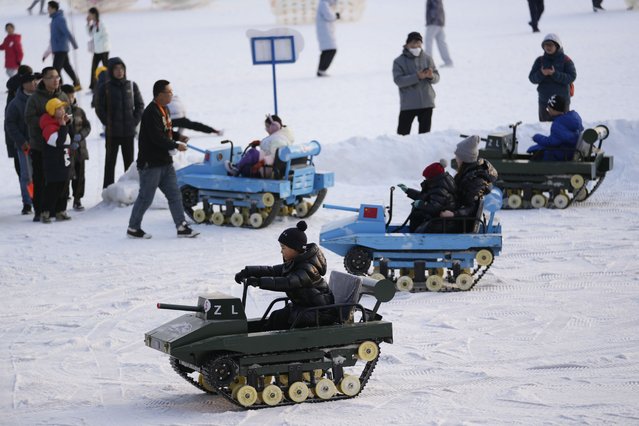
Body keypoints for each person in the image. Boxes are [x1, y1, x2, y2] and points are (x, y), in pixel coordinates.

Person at [126, 79, 198, 239]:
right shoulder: (151, 112)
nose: (171, 95)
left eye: (172, 92)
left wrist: (179, 136)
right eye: (168, 92)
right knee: (145, 198)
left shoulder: (164, 109)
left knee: (174, 194)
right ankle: (133, 227)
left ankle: (181, 226)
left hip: (165, 163)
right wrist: (176, 145)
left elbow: (167, 130)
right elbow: (157, 138)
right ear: (159, 95)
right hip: (151, 164)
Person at [234, 221, 337, 331]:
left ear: (296, 248)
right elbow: (272, 270)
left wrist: (259, 282)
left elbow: (288, 282)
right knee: (276, 316)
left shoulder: (308, 269)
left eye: (283, 248)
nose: (281, 251)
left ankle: (276, 345)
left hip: (321, 313)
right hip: (306, 307)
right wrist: (248, 271)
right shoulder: (295, 262)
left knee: (284, 320)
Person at [25, 66, 71, 222]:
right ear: (43, 80)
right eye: (51, 77)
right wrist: (47, 122)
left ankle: (60, 210)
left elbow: (69, 114)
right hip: (41, 146)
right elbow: (29, 118)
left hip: (61, 146)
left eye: (57, 76)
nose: (56, 79)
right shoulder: (35, 98)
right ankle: (41, 211)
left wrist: (66, 121)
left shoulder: (63, 95)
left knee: (62, 178)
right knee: (41, 179)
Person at [96, 57, 144, 188]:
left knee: (129, 164)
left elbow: (140, 105)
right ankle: (107, 189)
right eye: (116, 69)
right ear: (111, 71)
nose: (119, 71)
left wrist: (134, 121)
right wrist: (108, 122)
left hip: (128, 132)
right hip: (112, 133)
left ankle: (129, 190)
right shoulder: (105, 88)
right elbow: (99, 107)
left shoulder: (131, 85)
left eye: (122, 68)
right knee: (110, 163)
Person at [440, 135, 498, 230]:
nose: (456, 159)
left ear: (464, 159)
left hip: (462, 224)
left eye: (457, 156)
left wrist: (453, 214)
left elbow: (471, 206)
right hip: (460, 220)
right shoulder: (468, 175)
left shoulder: (474, 180)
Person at [393, 31, 440, 135]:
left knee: (425, 136)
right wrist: (417, 77)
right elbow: (399, 81)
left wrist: (431, 76)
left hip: (427, 103)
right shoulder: (398, 61)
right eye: (414, 43)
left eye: (419, 43)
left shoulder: (427, 58)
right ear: (407, 44)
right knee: (402, 135)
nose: (417, 46)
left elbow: (437, 78)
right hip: (409, 104)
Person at [5, 73, 39, 215]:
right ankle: (27, 202)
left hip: (40, 143)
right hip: (24, 145)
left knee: (41, 173)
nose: (34, 84)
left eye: (34, 81)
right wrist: (21, 141)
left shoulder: (40, 98)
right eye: (30, 82)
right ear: (23, 85)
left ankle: (40, 200)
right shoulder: (15, 103)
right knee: (26, 175)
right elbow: (10, 124)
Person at [225, 114, 294, 177]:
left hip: (269, 169)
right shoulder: (282, 136)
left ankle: (236, 169)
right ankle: (238, 166)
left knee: (253, 153)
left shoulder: (278, 140)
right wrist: (260, 143)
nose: (266, 129)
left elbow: (275, 156)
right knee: (253, 155)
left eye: (267, 127)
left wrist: (261, 162)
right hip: (271, 167)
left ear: (274, 127)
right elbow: (273, 147)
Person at [397, 159, 456, 233]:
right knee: (416, 215)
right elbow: (425, 196)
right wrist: (408, 191)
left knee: (417, 218)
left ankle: (416, 239)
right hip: (437, 219)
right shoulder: (438, 185)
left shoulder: (440, 189)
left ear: (433, 177)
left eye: (427, 178)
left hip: (441, 223)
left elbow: (434, 207)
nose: (425, 179)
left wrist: (421, 204)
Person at [528, 33, 576, 122]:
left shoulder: (566, 60)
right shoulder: (540, 61)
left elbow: (572, 77)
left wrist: (555, 74)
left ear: (557, 46)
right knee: (545, 129)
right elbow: (532, 78)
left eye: (550, 45)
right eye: (545, 45)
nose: (548, 47)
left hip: (562, 103)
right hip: (544, 101)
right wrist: (541, 73)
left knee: (563, 127)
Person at [39, 97, 72, 223]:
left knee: (64, 187)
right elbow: (59, 142)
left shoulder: (61, 124)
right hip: (54, 164)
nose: (62, 110)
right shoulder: (48, 128)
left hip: (64, 162)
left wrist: (66, 124)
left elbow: (68, 141)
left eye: (63, 107)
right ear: (52, 111)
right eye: (59, 108)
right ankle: (45, 212)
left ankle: (60, 211)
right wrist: (63, 126)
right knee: (52, 188)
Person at [61, 84, 91, 210]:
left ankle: (77, 198)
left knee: (80, 175)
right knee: (67, 174)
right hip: (67, 149)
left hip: (80, 148)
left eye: (72, 96)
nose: (70, 99)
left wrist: (81, 136)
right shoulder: (60, 112)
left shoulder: (80, 111)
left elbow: (87, 126)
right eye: (67, 96)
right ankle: (64, 196)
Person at [527, 94, 584, 161]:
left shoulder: (558, 124)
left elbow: (551, 142)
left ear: (554, 109)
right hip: (568, 151)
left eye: (549, 108)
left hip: (561, 154)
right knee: (536, 149)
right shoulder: (571, 118)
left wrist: (536, 137)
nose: (547, 110)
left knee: (535, 152)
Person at [44, 1, 81, 91]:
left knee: (56, 69)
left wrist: (74, 44)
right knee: (67, 67)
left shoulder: (60, 19)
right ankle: (77, 84)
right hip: (58, 48)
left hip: (61, 48)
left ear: (53, 8)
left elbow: (66, 32)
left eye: (49, 8)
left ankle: (58, 88)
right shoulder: (54, 19)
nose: (47, 10)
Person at [86, 7, 109, 91]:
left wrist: (99, 43)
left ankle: (109, 84)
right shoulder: (94, 24)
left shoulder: (101, 24)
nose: (88, 16)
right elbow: (90, 34)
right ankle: (93, 86)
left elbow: (105, 36)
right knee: (94, 69)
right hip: (97, 50)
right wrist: (88, 23)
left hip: (103, 50)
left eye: (89, 14)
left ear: (94, 14)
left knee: (106, 69)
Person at [425, 0, 453, 67]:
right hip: (439, 22)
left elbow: (434, 8)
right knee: (441, 43)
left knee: (428, 40)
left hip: (434, 22)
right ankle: (448, 62)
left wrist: (432, 19)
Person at [316, 0, 339, 77]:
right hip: (325, 32)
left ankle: (321, 70)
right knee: (331, 50)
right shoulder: (324, 4)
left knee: (327, 51)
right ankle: (321, 70)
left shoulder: (324, 3)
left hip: (325, 31)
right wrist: (336, 16)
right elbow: (328, 16)